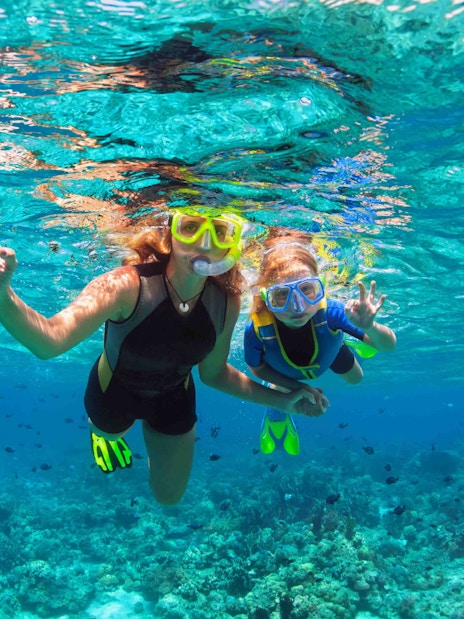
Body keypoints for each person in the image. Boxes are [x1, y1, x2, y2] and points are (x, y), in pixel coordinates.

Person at [0, 208, 323, 505]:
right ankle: (101, 435)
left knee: (169, 498)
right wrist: (3, 293)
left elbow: (214, 374)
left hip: (174, 398)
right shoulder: (126, 284)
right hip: (113, 392)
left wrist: (284, 401)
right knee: (110, 432)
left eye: (221, 232)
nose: (205, 243)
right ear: (170, 234)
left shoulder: (227, 301)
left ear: (233, 244)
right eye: (191, 228)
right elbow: (49, 341)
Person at [244, 229, 396, 456]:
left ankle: (353, 337)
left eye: (307, 290)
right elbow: (256, 369)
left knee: (356, 379)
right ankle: (277, 414)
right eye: (282, 295)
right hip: (284, 371)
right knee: (282, 389)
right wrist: (299, 388)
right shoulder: (256, 329)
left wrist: (369, 327)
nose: (297, 307)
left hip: (329, 350)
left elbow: (388, 346)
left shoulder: (332, 312)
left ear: (321, 288)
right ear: (267, 298)